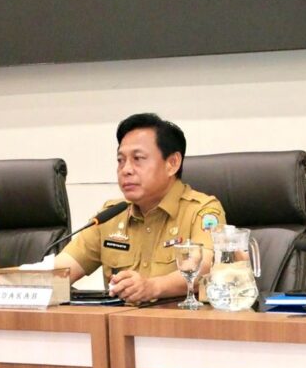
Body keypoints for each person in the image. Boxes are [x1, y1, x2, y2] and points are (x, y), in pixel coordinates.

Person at [54, 113, 226, 304]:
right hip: (120, 321)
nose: (126, 170)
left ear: (172, 163)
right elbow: (61, 271)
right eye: (120, 160)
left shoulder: (201, 211)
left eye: (138, 159)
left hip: (179, 321)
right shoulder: (110, 216)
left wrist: (153, 287)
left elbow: (207, 267)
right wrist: (31, 281)